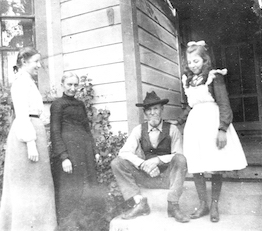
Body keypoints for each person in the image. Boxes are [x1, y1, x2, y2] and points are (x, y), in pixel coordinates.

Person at [177, 40, 247, 222]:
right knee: (196, 165)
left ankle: (214, 204)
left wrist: (222, 129)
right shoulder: (189, 80)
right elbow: (191, 106)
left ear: (205, 60)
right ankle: (203, 204)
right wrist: (179, 121)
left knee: (215, 165)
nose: (193, 65)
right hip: (195, 127)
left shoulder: (214, 77)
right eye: (190, 62)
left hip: (212, 123)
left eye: (196, 61)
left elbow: (224, 103)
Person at [0, 47, 57, 231]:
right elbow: (23, 114)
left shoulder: (29, 82)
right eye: (36, 62)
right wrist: (31, 143)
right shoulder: (21, 83)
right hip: (26, 137)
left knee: (38, 183)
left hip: (34, 130)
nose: (39, 66)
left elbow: (35, 112)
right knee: (28, 184)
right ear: (24, 62)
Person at [111, 91, 190, 223]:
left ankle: (173, 205)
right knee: (117, 163)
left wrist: (158, 160)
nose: (152, 113)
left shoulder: (172, 129)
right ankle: (140, 203)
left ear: (162, 109)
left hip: (167, 178)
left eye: (156, 109)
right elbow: (124, 152)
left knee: (181, 159)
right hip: (146, 177)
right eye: (149, 110)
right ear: (144, 113)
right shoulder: (138, 130)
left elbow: (179, 155)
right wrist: (143, 164)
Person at [50, 72, 100, 227]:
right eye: (69, 84)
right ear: (62, 85)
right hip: (69, 152)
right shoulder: (57, 105)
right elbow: (55, 131)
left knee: (87, 188)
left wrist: (95, 150)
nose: (72, 88)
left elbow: (86, 128)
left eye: (75, 85)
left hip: (84, 151)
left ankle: (86, 225)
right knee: (69, 189)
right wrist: (63, 157)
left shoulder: (80, 104)